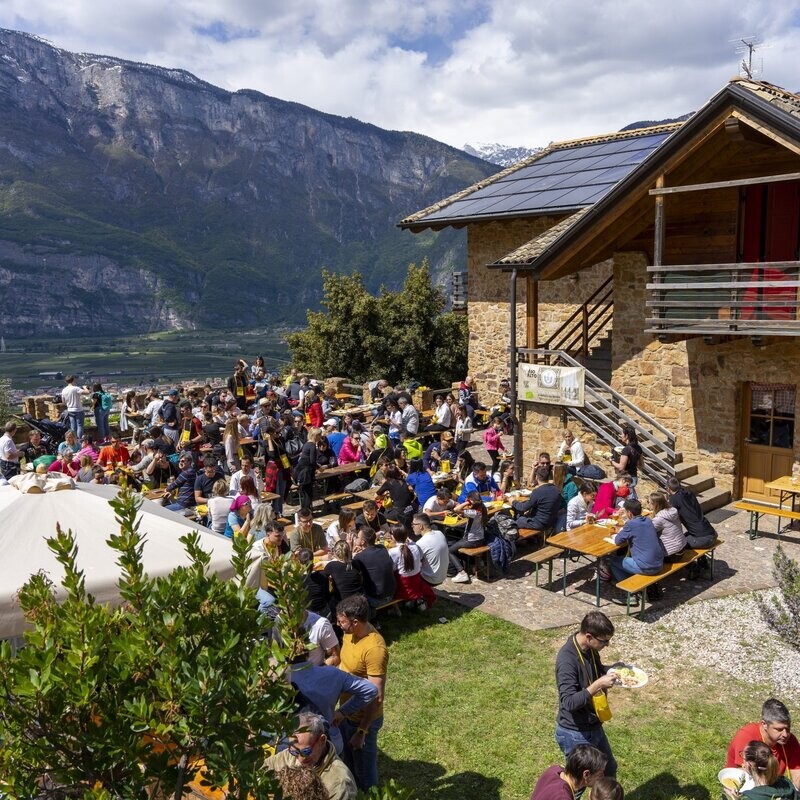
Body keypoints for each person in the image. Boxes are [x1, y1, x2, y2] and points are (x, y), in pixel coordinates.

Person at [555, 611, 619, 777]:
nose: (607, 645)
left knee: (608, 770)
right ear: (589, 636)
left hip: (594, 725)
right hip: (575, 733)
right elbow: (568, 702)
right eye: (604, 641)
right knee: (579, 783)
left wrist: (613, 670)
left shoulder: (590, 649)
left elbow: (596, 670)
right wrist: (598, 685)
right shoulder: (567, 660)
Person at [335, 594, 389, 791]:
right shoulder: (349, 634)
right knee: (347, 763)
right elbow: (345, 664)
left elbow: (376, 695)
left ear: (355, 621)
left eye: (342, 621)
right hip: (345, 714)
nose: (338, 625)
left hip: (361, 720)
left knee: (365, 772)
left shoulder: (374, 649)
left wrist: (362, 732)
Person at [287, 655, 378, 758]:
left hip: (293, 750)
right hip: (330, 744)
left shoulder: (278, 682)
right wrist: (343, 712)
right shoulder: (332, 673)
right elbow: (370, 689)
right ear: (308, 652)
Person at [265, 711, 358, 800]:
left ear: (322, 740)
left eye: (305, 752)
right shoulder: (288, 755)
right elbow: (262, 771)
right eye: (294, 752)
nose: (300, 759)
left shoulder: (340, 782)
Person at [727, 699, 800, 789]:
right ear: (764, 724)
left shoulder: (790, 741)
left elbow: (797, 780)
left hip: (772, 788)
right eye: (779, 729)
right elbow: (743, 775)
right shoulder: (747, 737)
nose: (785, 734)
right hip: (742, 787)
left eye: (788, 729)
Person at [609, 499, 664, 604]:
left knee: (613, 561)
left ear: (629, 513)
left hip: (647, 567)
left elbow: (617, 541)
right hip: (659, 563)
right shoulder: (648, 520)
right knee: (626, 558)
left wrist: (623, 528)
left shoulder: (631, 524)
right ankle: (633, 585)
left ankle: (630, 593)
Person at [530, 743, 608, 800]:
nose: (603, 776)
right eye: (600, 774)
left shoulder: (555, 769)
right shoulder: (562, 796)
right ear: (586, 774)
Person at [386, 524, 435, 609]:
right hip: (416, 582)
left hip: (402, 587)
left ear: (393, 536)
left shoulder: (393, 551)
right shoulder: (415, 546)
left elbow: (391, 569)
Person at [729, 741, 799, 800]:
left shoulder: (749, 797)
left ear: (749, 764)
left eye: (743, 757)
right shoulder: (786, 783)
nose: (742, 763)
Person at [448, 490, 488, 584]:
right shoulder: (483, 509)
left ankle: (461, 572)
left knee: (450, 550)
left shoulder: (473, 512)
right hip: (481, 539)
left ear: (471, 500)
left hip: (471, 540)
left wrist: (467, 502)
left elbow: (456, 509)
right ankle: (471, 566)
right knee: (458, 543)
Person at [353, 527, 396, 607]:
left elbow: (351, 570)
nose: (356, 538)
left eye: (358, 537)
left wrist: (353, 552)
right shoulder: (382, 548)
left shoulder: (360, 557)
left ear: (362, 541)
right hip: (391, 594)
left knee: (354, 586)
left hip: (375, 599)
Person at [513, 466, 562, 531]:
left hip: (540, 524)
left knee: (518, 519)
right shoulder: (556, 489)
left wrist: (513, 501)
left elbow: (523, 507)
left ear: (537, 477)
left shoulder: (538, 491)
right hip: (551, 521)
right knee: (523, 515)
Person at [324, 540, 365, 614]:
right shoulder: (355, 563)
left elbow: (324, 576)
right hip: (359, 602)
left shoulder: (331, 565)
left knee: (328, 598)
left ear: (335, 553)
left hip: (342, 604)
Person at [375, 462, 417, 528]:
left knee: (382, 513)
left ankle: (387, 529)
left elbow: (375, 496)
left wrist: (385, 495)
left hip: (399, 511)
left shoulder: (388, 483)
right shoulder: (403, 481)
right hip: (409, 509)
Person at [412, 513, 449, 586]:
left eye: (413, 524)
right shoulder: (440, 533)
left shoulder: (421, 543)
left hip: (429, 579)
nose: (412, 527)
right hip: (442, 576)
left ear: (420, 526)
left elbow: (413, 563)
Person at [649, 491, 686, 561]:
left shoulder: (659, 519)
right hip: (682, 548)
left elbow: (647, 531)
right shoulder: (672, 511)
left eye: (649, 502)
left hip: (672, 554)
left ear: (655, 505)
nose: (648, 504)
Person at [294, 427, 323, 511]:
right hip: (306, 473)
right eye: (320, 435)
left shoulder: (306, 444)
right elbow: (312, 461)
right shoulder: (312, 445)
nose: (321, 437)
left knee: (305, 493)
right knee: (308, 494)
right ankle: (306, 512)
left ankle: (306, 510)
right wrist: (319, 468)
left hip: (302, 471)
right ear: (316, 436)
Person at [61, 375, 90, 440]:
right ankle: (79, 440)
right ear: (73, 380)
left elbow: (63, 401)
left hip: (70, 410)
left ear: (66, 381)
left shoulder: (64, 390)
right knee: (79, 425)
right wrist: (85, 387)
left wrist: (68, 404)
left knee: (73, 426)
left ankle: (74, 440)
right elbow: (87, 392)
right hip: (78, 409)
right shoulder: (76, 388)